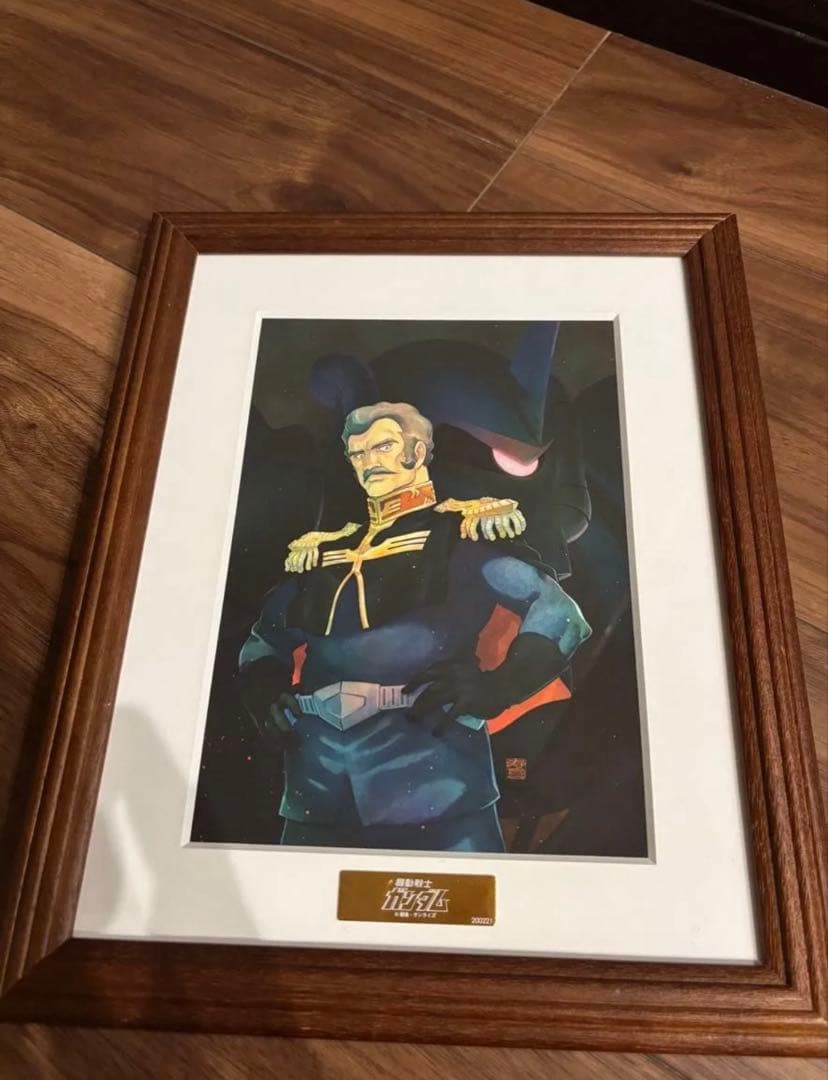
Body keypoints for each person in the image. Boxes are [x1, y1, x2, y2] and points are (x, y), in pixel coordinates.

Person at [238, 402, 591, 852]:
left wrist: (499, 687)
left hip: (435, 783)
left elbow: (558, 612)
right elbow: (264, 640)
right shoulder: (325, 552)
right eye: (358, 453)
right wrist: (265, 693)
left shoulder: (459, 536)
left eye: (383, 446)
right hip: (318, 788)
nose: (369, 462)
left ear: (418, 451)